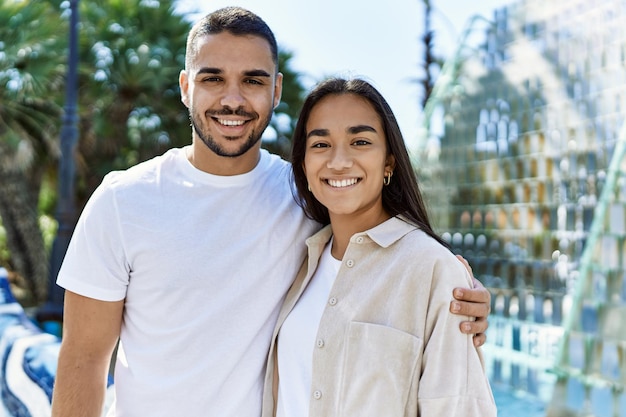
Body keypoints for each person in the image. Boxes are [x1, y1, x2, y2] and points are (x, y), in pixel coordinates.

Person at [50, 7, 491, 417]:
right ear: (186, 87)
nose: (233, 99)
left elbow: (384, 257)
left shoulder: (307, 197)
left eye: (254, 81)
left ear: (276, 90)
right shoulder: (123, 201)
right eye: (213, 79)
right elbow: (84, 357)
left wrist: (457, 294)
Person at [261, 78, 496, 416]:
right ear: (304, 166)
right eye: (321, 144)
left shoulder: (433, 269)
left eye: (360, 141)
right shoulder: (299, 259)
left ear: (389, 163)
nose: (339, 161)